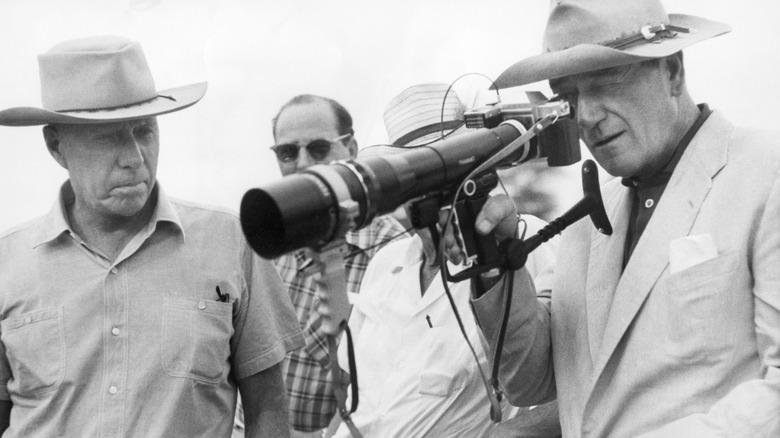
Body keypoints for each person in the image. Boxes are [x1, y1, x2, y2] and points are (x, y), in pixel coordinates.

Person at [453, 1, 780, 437]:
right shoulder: (589, 215)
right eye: (567, 96)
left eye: (607, 82)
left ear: (672, 71)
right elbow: (532, 382)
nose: (586, 116)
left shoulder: (765, 172)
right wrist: (495, 261)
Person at [0, 35, 304, 437]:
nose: (134, 158)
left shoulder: (230, 242)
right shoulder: (7, 263)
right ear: (56, 147)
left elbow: (267, 407)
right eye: (107, 137)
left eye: (144, 132)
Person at [329, 83, 559, 437]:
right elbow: (350, 389)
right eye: (414, 172)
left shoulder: (528, 241)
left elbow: (570, 378)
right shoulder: (388, 260)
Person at [267, 94, 408, 437]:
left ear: (351, 148)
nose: (301, 164)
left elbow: (383, 388)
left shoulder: (394, 252)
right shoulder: (267, 239)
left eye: (318, 148)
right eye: (287, 152)